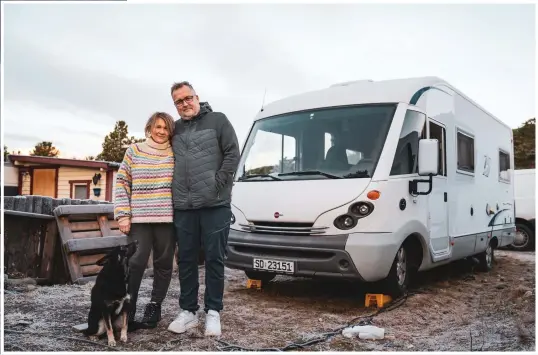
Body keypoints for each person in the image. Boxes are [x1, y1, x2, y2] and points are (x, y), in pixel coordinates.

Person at [166, 81, 240, 337]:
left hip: (215, 204)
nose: (184, 103)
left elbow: (232, 153)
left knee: (214, 258)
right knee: (185, 259)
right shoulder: (173, 129)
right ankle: (188, 311)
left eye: (188, 98)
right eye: (178, 101)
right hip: (184, 206)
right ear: (175, 105)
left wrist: (218, 184)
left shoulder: (218, 120)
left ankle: (213, 312)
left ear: (197, 97)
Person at [114, 112, 176, 330]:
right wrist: (123, 214)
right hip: (139, 218)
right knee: (135, 262)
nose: (161, 131)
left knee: (164, 263)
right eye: (157, 126)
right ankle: (127, 311)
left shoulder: (175, 153)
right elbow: (122, 182)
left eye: (165, 128)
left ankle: (154, 307)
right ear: (149, 128)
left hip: (167, 219)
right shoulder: (134, 150)